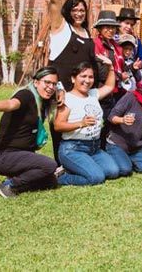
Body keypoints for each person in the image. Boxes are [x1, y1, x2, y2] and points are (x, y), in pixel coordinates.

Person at [0, 66, 62, 198]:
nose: (51, 87)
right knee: (49, 165)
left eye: (54, 84)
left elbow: (60, 92)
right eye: (47, 82)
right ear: (36, 82)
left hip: (22, 154)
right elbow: (11, 104)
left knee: (51, 181)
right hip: (3, 156)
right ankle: (9, 185)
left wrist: (61, 91)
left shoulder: (44, 100)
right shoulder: (26, 95)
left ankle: (20, 179)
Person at [40, 0, 97, 161]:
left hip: (81, 89)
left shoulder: (87, 31)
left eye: (82, 10)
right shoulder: (61, 28)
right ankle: (59, 163)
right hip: (62, 88)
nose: (79, 13)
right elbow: (55, 1)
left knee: (78, 124)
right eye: (74, 10)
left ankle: (79, 157)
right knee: (59, 124)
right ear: (68, 12)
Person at [54, 58, 120, 186]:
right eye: (83, 76)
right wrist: (81, 123)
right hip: (73, 148)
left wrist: (111, 67)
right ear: (73, 79)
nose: (87, 80)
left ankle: (78, 167)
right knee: (96, 177)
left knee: (113, 171)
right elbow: (58, 125)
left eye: (91, 77)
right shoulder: (67, 98)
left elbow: (109, 86)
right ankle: (58, 178)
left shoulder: (93, 94)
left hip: (94, 148)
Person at [92, 10, 125, 144]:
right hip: (102, 88)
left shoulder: (116, 46)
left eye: (113, 27)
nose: (110, 30)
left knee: (112, 120)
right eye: (107, 27)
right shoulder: (96, 44)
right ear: (100, 28)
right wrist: (118, 74)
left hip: (116, 90)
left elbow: (121, 65)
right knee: (102, 120)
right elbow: (100, 70)